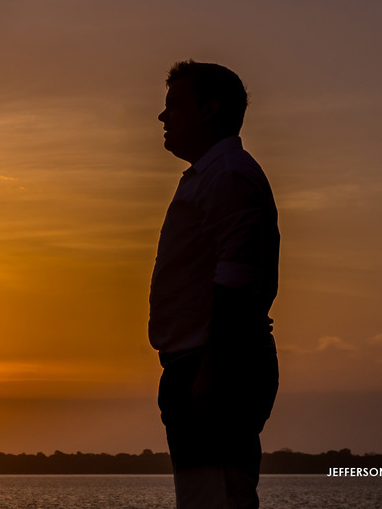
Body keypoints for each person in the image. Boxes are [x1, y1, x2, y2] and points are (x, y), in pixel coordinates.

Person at [149, 61, 280, 509]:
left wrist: (211, 371)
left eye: (174, 105)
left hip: (216, 365)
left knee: (218, 497)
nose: (163, 117)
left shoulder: (228, 175)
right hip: (198, 365)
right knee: (206, 496)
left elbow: (237, 281)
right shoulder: (210, 176)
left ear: (209, 111)